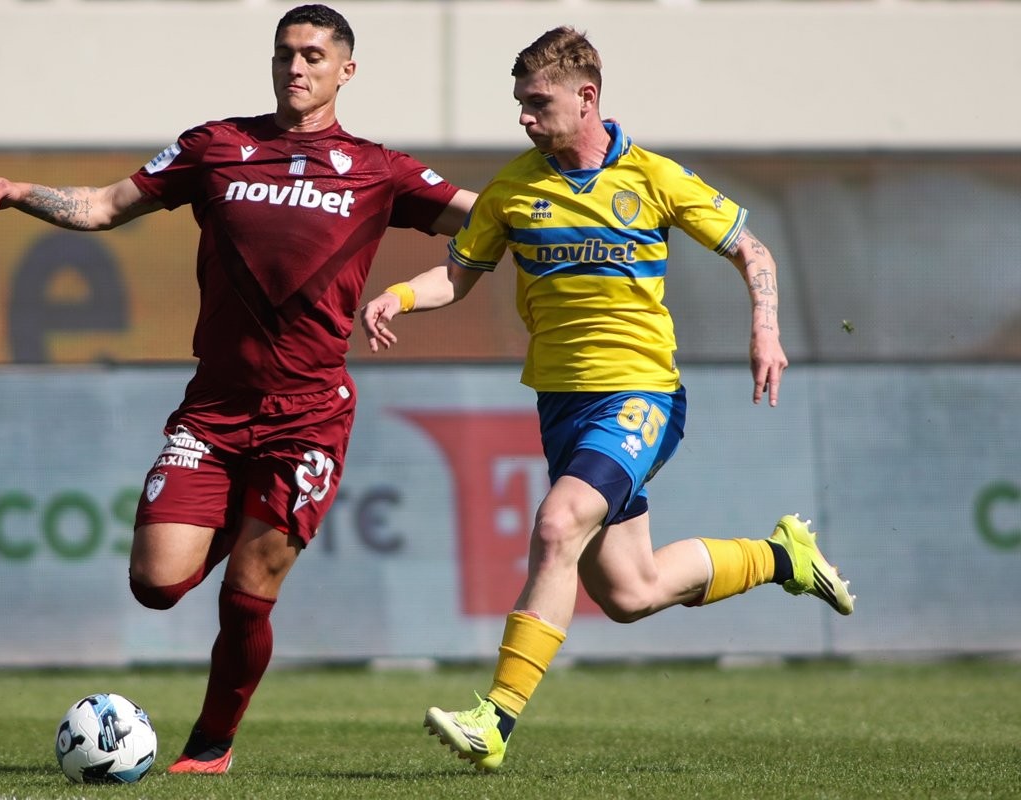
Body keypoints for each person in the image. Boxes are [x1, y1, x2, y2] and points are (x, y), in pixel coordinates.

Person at [0, 4, 476, 775]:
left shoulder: (379, 169)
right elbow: (104, 206)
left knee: (249, 585)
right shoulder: (215, 147)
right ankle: (243, 524)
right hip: (214, 410)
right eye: (284, 53)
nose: (295, 67)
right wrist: (18, 191)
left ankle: (211, 744)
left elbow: (487, 221)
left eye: (313, 55)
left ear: (347, 70)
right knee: (155, 584)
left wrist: (561, 216)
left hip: (309, 415)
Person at [360, 26, 855, 773]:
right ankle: (780, 557)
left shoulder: (653, 176)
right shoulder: (513, 188)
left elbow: (752, 250)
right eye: (520, 103)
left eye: (538, 103)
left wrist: (766, 328)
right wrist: (398, 295)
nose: (525, 117)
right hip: (561, 405)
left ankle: (495, 718)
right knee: (631, 591)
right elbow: (459, 274)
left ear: (586, 97)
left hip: (640, 393)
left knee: (557, 524)